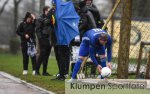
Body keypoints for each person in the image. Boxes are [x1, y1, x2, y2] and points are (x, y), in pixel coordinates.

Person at [35, 6, 52, 76]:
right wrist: (40, 38)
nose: (49, 12)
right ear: (45, 11)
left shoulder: (51, 18)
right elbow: (37, 29)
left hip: (49, 38)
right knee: (42, 54)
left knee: (47, 55)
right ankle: (36, 70)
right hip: (43, 38)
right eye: (48, 10)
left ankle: (44, 72)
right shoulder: (40, 18)